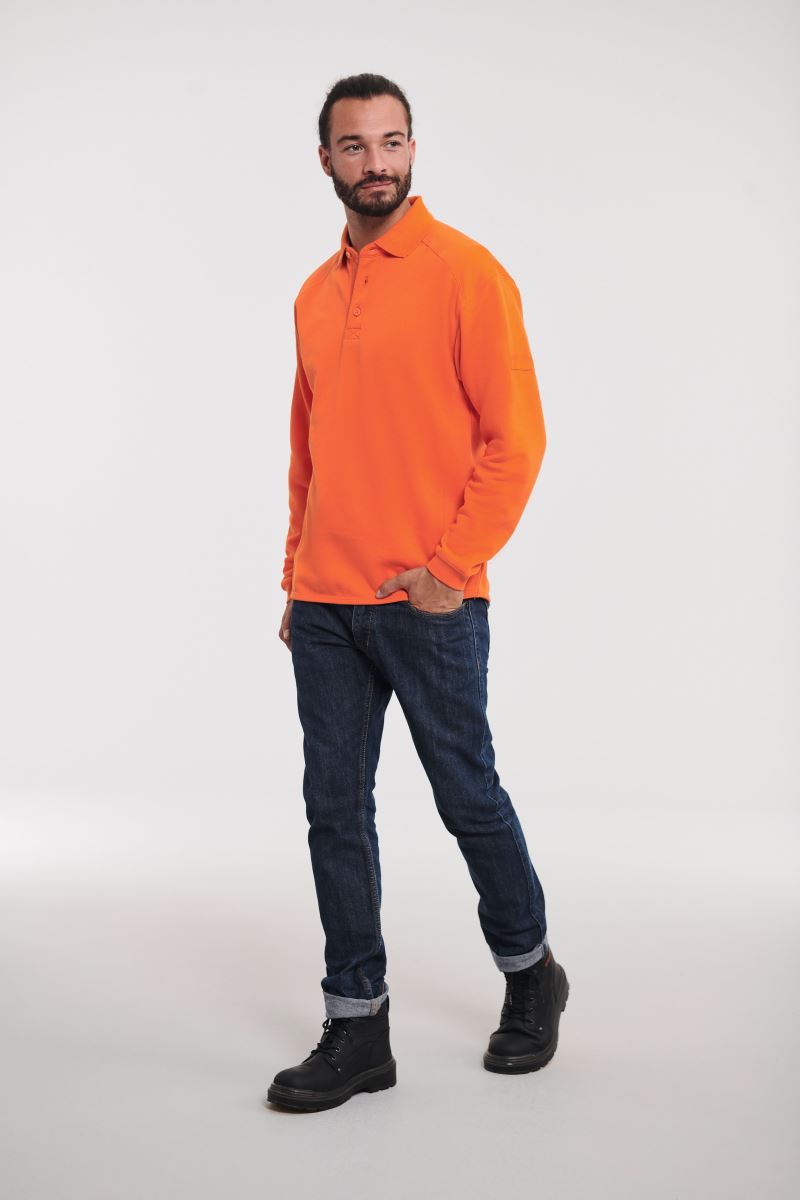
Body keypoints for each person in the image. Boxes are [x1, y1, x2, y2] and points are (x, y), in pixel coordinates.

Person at [267, 73, 569, 1113]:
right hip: (326, 606)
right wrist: (296, 576)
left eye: (392, 141)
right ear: (326, 160)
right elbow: (307, 454)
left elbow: (515, 442)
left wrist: (448, 571)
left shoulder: (464, 273)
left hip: (428, 600)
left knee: (465, 795)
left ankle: (530, 971)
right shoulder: (313, 295)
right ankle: (357, 1028)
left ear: (412, 149)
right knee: (333, 812)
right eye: (354, 145)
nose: (376, 162)